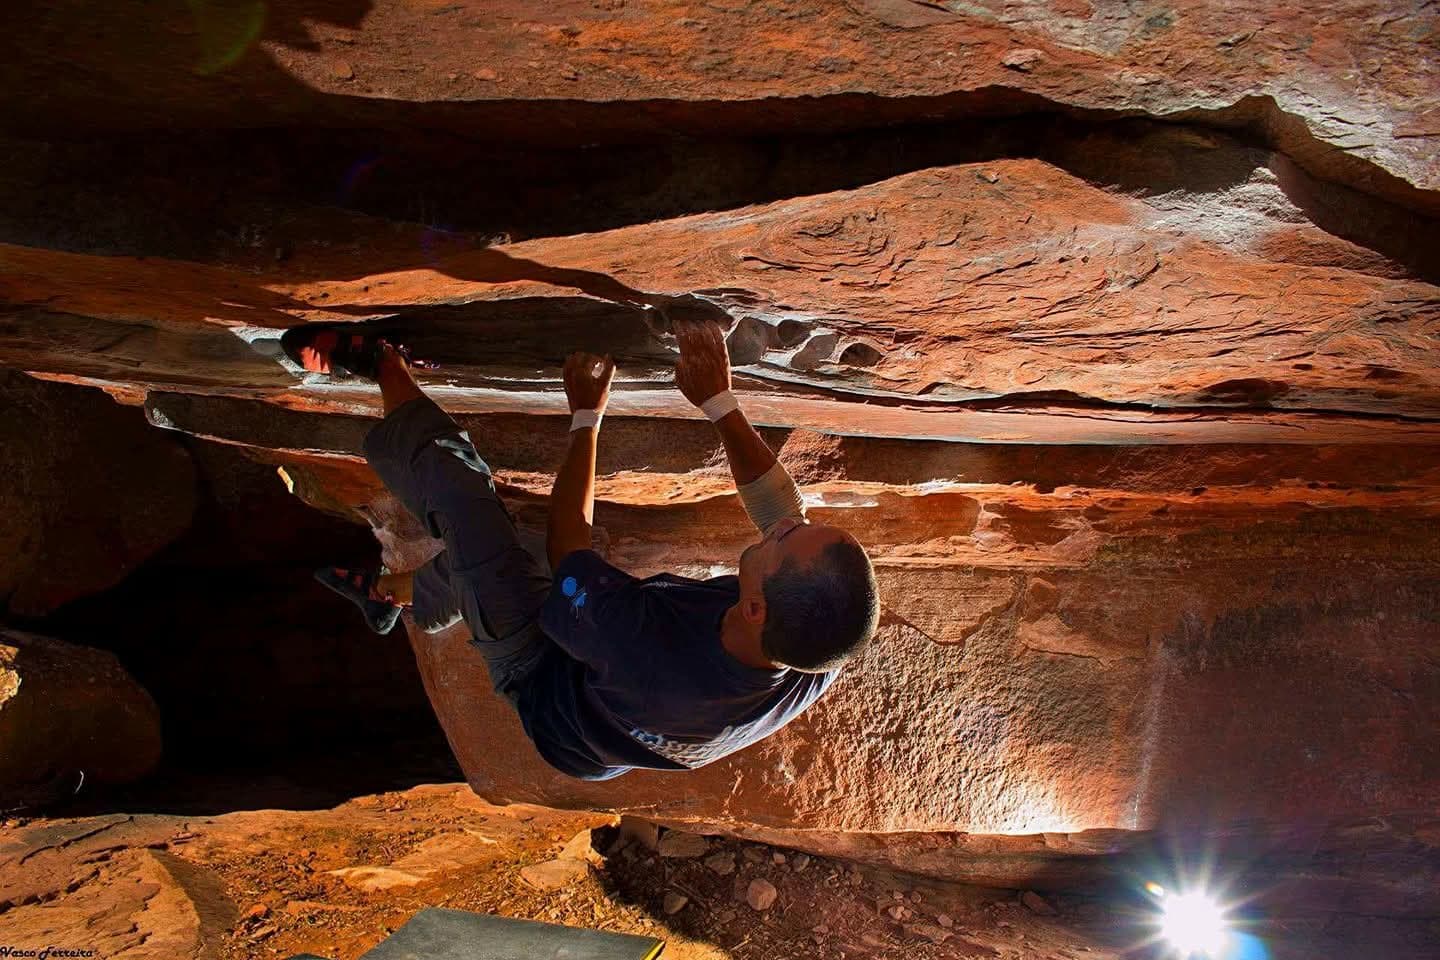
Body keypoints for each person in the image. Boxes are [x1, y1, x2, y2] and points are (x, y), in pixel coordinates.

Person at [296, 317, 879, 780]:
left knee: (468, 506)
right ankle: (389, 596)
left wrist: (585, 416)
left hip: (544, 682)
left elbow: (568, 546)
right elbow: (784, 513)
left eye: (781, 541)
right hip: (611, 714)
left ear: (756, 610)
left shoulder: (645, 654)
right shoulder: (819, 639)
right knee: (510, 558)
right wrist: (720, 403)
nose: (780, 526)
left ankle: (381, 361)